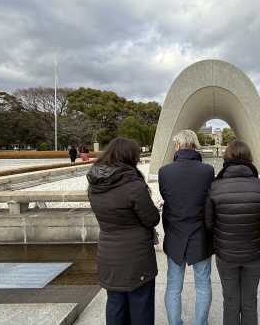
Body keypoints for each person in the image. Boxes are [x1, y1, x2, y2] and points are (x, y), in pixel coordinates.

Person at [87, 137, 160, 325]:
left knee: (115, 304)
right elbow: (151, 219)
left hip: (108, 254)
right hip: (136, 257)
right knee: (141, 305)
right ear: (129, 157)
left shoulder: (94, 185)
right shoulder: (133, 185)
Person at [158, 129, 215, 325]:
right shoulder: (207, 170)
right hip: (200, 235)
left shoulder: (164, 171)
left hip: (175, 235)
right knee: (203, 284)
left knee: (173, 285)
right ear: (195, 145)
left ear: (178, 146)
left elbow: (168, 198)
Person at [205, 140, 260, 325]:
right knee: (250, 300)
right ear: (249, 159)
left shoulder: (215, 186)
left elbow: (208, 223)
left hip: (226, 254)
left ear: (226, 158)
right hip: (255, 252)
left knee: (230, 301)